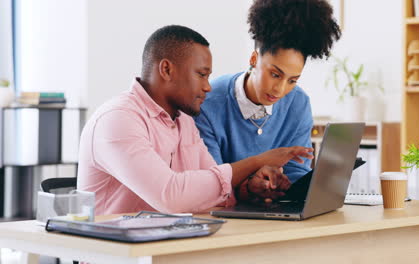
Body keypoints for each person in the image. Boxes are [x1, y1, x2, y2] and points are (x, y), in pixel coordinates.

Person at [77, 25, 313, 215]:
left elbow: (221, 194)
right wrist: (257, 162)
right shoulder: (118, 120)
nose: (208, 87)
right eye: (201, 75)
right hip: (116, 255)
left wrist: (246, 189)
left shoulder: (184, 122)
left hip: (167, 247)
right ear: (167, 70)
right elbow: (170, 196)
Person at [194, 0, 341, 202]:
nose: (280, 90)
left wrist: (281, 184)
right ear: (254, 59)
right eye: (275, 74)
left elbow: (297, 173)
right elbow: (210, 184)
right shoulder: (208, 103)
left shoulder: (298, 103)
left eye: (292, 80)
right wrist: (250, 185)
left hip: (276, 215)